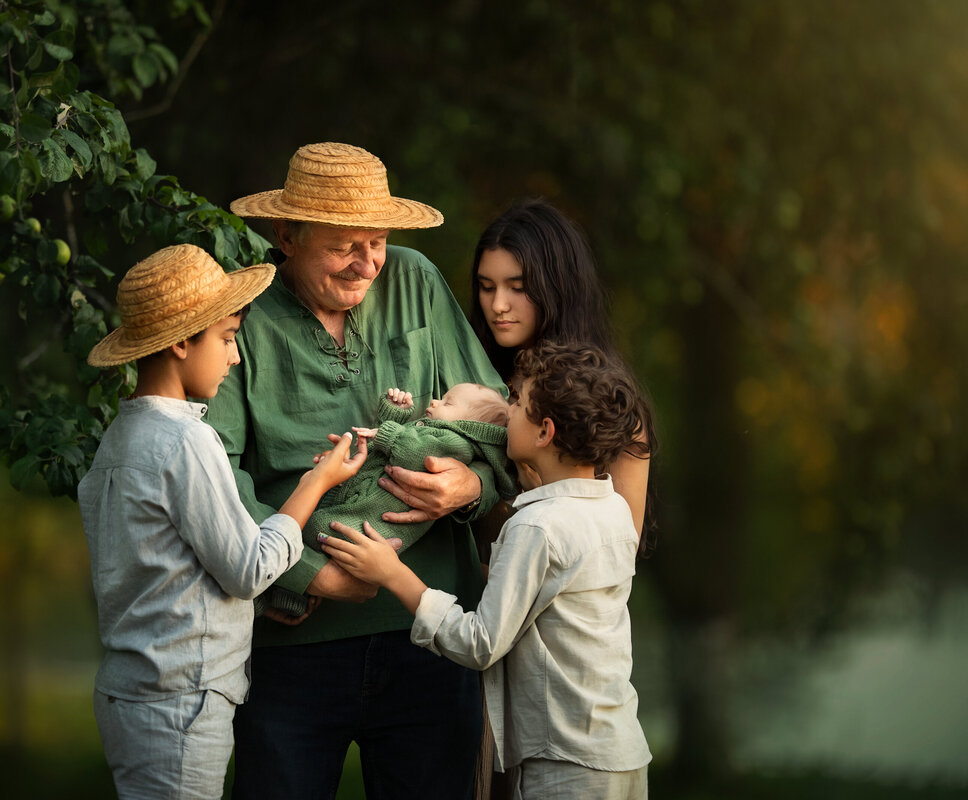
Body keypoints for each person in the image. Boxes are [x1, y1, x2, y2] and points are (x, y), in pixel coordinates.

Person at [209, 142, 506, 799]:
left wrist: (472, 486)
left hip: (431, 632)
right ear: (286, 235)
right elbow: (212, 477)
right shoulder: (243, 314)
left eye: (377, 240)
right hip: (291, 646)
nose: (368, 261)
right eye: (346, 244)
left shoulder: (415, 279)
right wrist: (310, 575)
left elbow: (501, 427)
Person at [77, 243, 368, 799]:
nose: (235, 358)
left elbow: (164, 570)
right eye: (229, 339)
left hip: (131, 691)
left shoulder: (119, 438)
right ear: (183, 343)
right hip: (181, 696)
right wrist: (316, 484)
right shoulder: (187, 440)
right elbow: (250, 567)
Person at [320, 341, 654, 800]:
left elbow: (480, 643)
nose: (505, 408)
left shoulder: (536, 526)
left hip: (564, 762)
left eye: (516, 402)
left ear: (544, 432)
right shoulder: (613, 508)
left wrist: (392, 573)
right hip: (618, 750)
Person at [469, 198, 655, 540]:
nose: (497, 305)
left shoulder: (609, 403)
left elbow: (620, 549)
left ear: (557, 287)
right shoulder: (470, 379)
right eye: (486, 286)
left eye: (518, 287)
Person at [259, 383, 518, 618]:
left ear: (469, 425)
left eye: (448, 403)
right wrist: (393, 417)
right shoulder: (433, 432)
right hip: (367, 510)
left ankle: (281, 594)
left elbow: (416, 454)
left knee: (317, 528)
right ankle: (288, 598)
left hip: (373, 526)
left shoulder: (455, 443)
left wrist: (388, 431)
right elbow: (391, 450)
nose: (435, 402)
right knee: (315, 534)